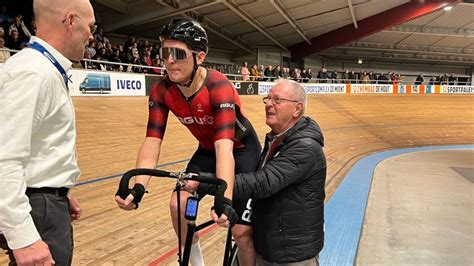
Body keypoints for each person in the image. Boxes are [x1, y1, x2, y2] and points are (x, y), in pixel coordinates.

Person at [115, 18, 261, 266]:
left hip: (241, 151)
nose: (169, 60)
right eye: (165, 53)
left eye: (178, 54)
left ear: (199, 57)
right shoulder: (162, 90)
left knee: (241, 233)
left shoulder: (218, 86)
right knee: (178, 204)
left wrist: (223, 198)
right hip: (207, 152)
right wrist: (138, 187)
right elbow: (152, 140)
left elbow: (224, 147)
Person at [0, 0, 95, 265]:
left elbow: (37, 143)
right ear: (71, 20)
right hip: (37, 210)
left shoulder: (40, 68)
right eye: (91, 26)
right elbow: (4, 157)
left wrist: (58, 189)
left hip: (44, 202)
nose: (91, 35)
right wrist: (24, 238)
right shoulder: (34, 72)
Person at [209, 79, 327, 265]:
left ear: (297, 109)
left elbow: (263, 183)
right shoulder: (277, 138)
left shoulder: (305, 146)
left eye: (277, 100)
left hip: (292, 255)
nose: (268, 104)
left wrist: (212, 183)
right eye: (268, 98)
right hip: (272, 245)